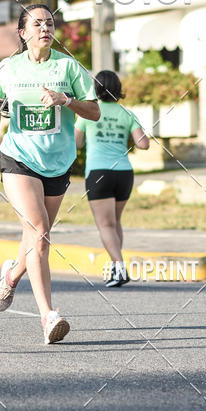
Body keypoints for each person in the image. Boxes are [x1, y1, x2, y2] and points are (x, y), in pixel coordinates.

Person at [0, 4, 100, 344]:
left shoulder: (69, 67)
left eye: (49, 23)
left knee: (36, 238)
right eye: (37, 24)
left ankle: (11, 277)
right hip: (19, 158)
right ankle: (49, 316)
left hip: (58, 162)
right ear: (23, 32)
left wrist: (66, 100)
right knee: (39, 230)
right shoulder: (10, 67)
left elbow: (94, 111)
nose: (45, 28)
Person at [74, 70, 149, 288]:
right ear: (118, 89)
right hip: (124, 173)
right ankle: (117, 269)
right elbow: (143, 144)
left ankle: (119, 267)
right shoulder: (127, 113)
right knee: (115, 222)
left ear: (95, 88)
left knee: (105, 225)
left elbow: (76, 143)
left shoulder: (88, 112)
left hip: (99, 173)